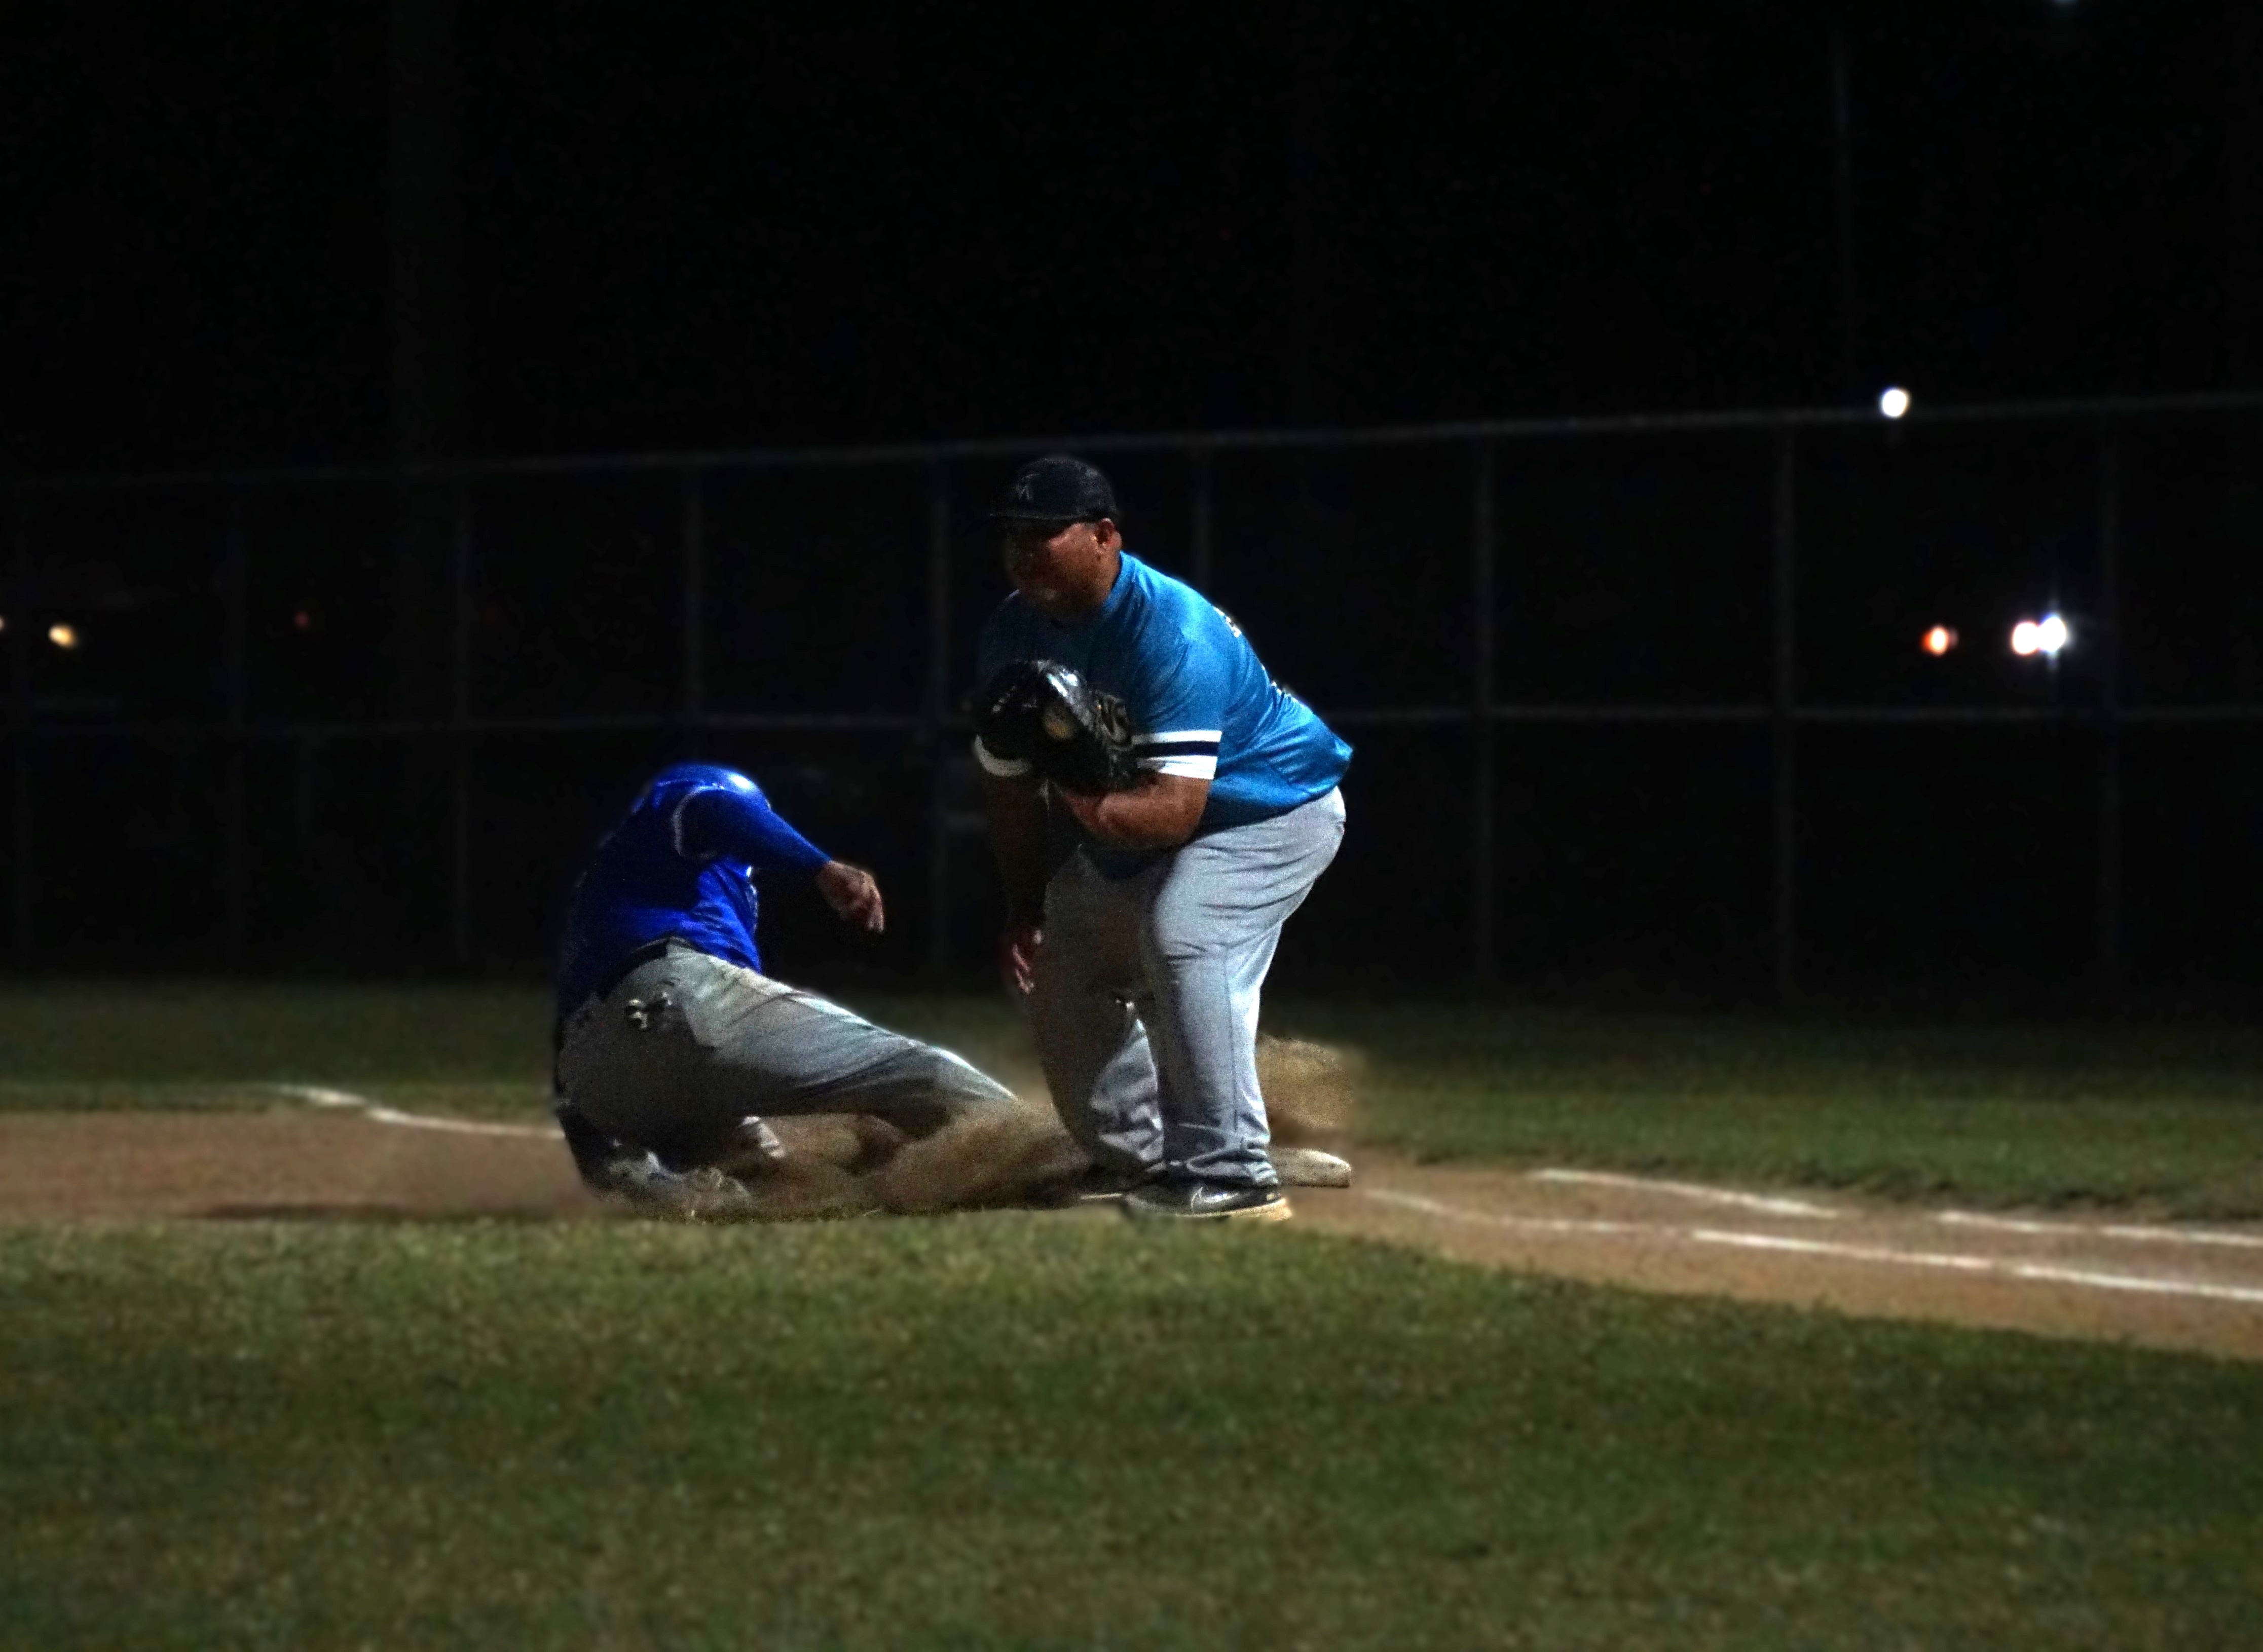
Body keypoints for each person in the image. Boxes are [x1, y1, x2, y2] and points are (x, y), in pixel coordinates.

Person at [976, 455, 1351, 1222]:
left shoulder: (1168, 632)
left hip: (1270, 811)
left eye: (1045, 533)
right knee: (1063, 964)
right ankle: (1152, 1161)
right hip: (1137, 821)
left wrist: (1078, 785)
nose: (1023, 551)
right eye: (1013, 534)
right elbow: (1009, 789)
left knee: (1186, 932)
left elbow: (1172, 814)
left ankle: (1235, 1173)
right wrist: (1025, 905)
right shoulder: (1013, 631)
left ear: (1106, 536)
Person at [552, 760, 1023, 1217]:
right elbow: (714, 809)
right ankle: (1055, 1154)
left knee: (773, 1182)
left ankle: (647, 1178)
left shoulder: (610, 886)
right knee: (924, 1073)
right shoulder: (683, 808)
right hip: (678, 1002)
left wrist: (595, 1117)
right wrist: (821, 867)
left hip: (596, 1083)